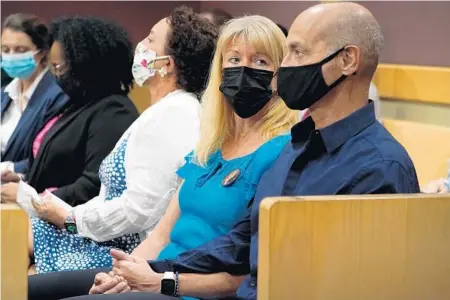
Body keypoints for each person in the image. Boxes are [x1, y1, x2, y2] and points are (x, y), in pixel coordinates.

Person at [57, 3, 421, 300]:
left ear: (348, 61)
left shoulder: (379, 166)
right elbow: (240, 241)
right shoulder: (300, 146)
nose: (285, 68)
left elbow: (349, 284)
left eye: (296, 52)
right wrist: (153, 270)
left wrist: (165, 281)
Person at [28, 14, 299, 300]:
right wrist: (119, 278)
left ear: (279, 76)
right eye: (233, 60)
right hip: (157, 272)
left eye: (260, 62)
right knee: (25, 290)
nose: (243, 70)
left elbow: (253, 274)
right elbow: (161, 235)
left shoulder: (280, 152)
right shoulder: (210, 146)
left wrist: (161, 282)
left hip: (189, 289)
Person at [24, 6, 218, 275]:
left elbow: (140, 210)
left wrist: (70, 219)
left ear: (166, 64)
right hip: (106, 238)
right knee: (13, 239)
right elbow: (111, 197)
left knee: (16, 264)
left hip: (125, 252)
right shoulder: (165, 110)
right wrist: (65, 215)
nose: (141, 44)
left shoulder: (174, 114)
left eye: (151, 39)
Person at [1, 16, 138, 206]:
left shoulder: (113, 111)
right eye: (54, 67)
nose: (57, 75)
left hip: (73, 228)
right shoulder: (76, 104)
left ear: (86, 63)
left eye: (61, 67)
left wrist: (31, 199)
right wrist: (24, 181)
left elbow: (94, 185)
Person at [1, 13, 68, 178]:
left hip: (30, 191)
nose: (11, 56)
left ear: (41, 53)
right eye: (5, 49)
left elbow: (52, 155)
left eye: (20, 50)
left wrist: (12, 169)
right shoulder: (4, 94)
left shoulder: (59, 95)